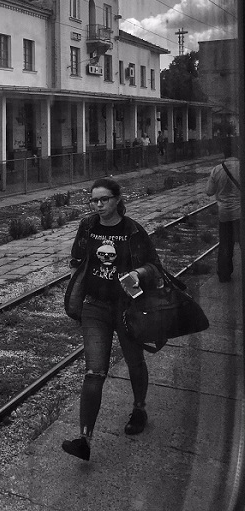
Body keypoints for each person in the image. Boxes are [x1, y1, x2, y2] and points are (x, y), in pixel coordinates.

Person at [62, 177, 164, 461]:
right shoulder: (88, 227)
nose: (98, 205)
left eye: (104, 199)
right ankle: (84, 439)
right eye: (94, 200)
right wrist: (77, 285)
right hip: (95, 307)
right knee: (94, 371)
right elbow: (76, 259)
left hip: (127, 307)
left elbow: (154, 267)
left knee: (134, 360)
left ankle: (139, 408)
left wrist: (138, 275)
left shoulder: (133, 231)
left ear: (118, 199)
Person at [206, 138, 241, 283]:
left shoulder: (217, 169)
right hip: (240, 213)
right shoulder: (241, 166)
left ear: (224, 153)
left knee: (225, 244)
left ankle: (224, 274)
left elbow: (209, 191)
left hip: (224, 214)